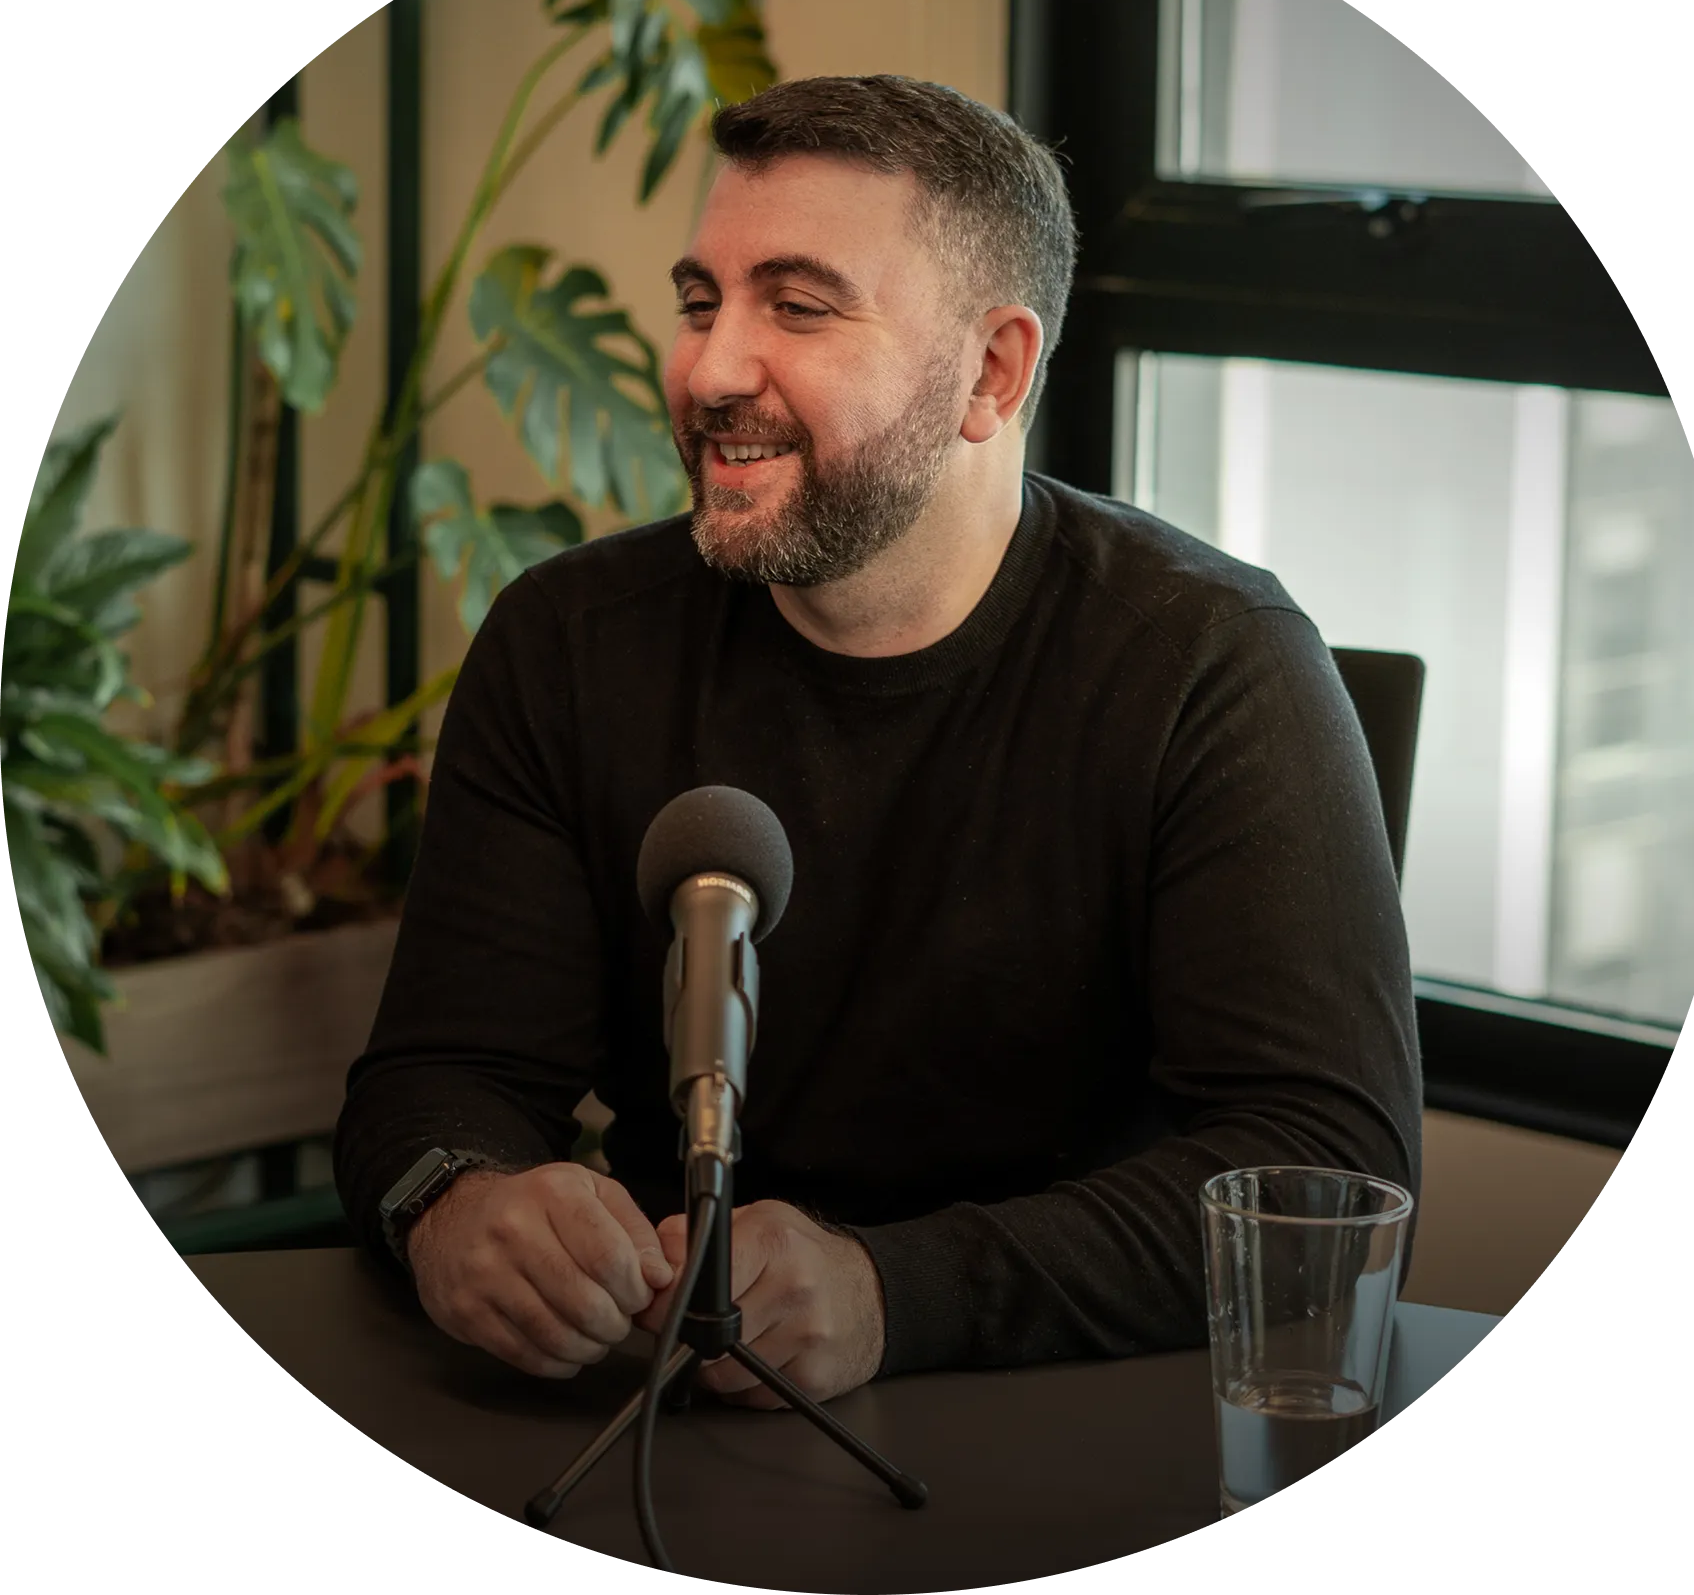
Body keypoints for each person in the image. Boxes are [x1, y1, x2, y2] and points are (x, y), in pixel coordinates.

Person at [333, 74, 1422, 1413]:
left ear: (992, 371)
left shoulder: (1211, 661)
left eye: (798, 307)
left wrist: (892, 1289)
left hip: (1075, 1421)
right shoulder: (573, 640)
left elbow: (1322, 1166)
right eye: (700, 300)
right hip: (676, 1402)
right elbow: (443, 1074)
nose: (710, 368)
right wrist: (457, 1200)